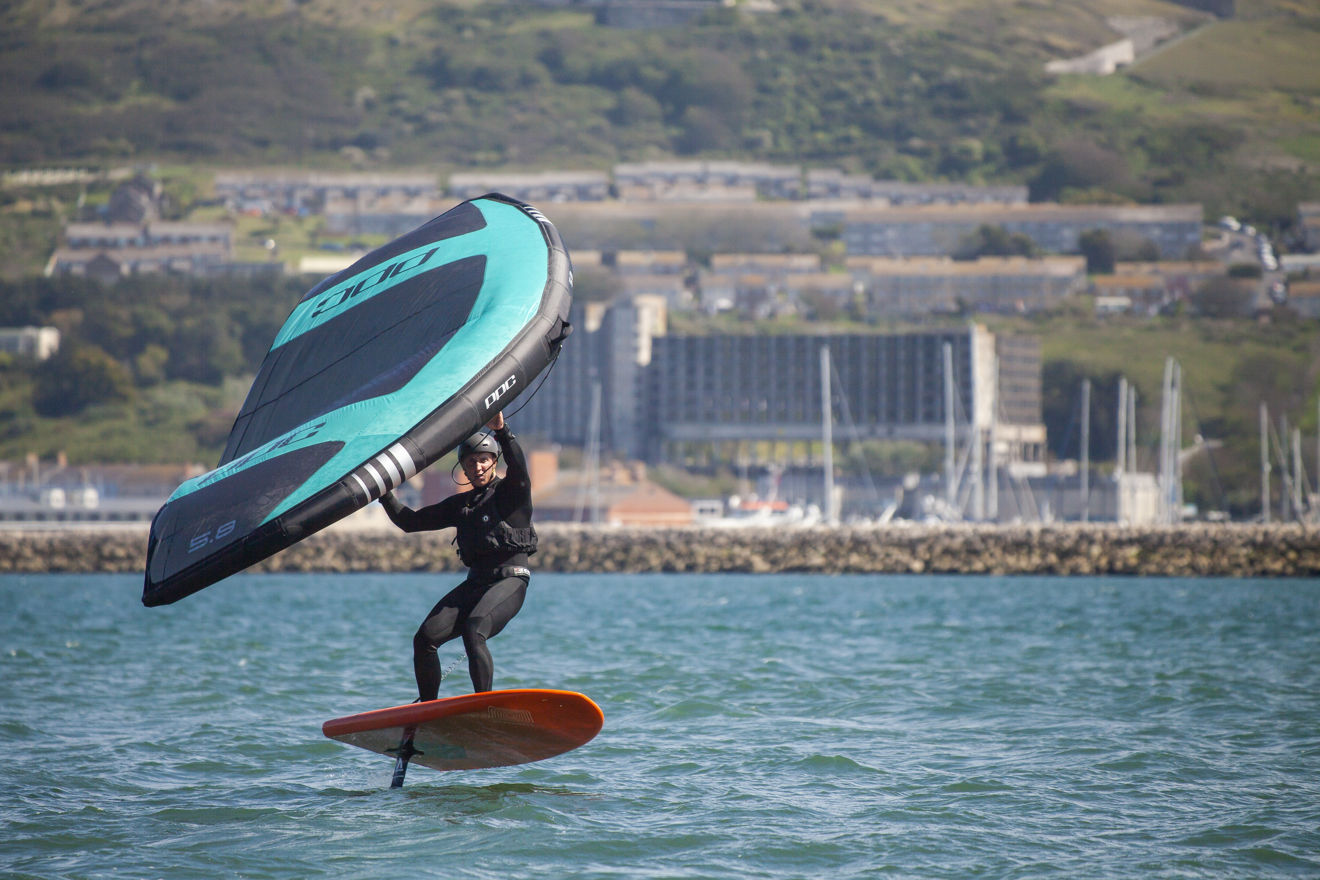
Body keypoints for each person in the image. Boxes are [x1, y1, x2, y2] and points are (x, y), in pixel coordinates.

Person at [379, 412, 537, 699]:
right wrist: (383, 492)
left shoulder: (512, 493)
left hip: (510, 581)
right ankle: (428, 708)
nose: (476, 466)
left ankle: (482, 704)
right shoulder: (461, 505)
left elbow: (519, 467)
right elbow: (410, 522)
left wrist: (502, 431)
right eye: (470, 461)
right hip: (475, 584)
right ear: (462, 467)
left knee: (474, 629)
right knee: (424, 639)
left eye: (483, 460)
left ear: (494, 462)